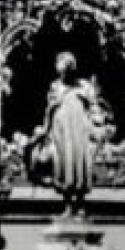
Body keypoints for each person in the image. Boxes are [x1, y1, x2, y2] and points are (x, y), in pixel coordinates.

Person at [29, 51, 104, 217]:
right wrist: (45, 131)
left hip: (79, 131)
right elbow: (49, 110)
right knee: (63, 165)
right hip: (61, 132)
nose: (65, 74)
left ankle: (80, 202)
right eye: (62, 71)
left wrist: (97, 127)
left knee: (79, 165)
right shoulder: (55, 87)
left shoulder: (84, 87)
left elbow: (94, 109)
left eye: (68, 70)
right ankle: (68, 203)